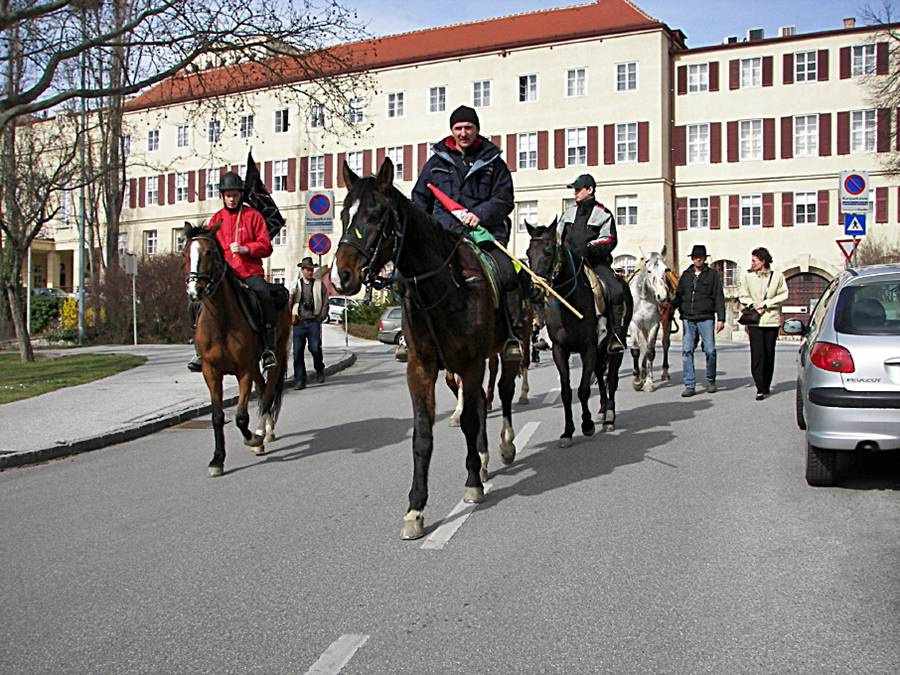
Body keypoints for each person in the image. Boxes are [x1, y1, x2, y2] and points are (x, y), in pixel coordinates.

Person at [411, 104, 529, 361]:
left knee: (507, 272)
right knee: (413, 273)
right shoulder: (435, 163)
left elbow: (504, 199)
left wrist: (481, 215)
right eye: (458, 128)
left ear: (477, 129)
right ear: (451, 131)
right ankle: (411, 336)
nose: (463, 133)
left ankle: (511, 334)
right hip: (444, 236)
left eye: (468, 128)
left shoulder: (494, 163)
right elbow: (420, 199)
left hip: (485, 234)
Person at [187, 171, 278, 371]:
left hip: (249, 272)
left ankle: (267, 349)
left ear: (241, 195)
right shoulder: (216, 220)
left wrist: (248, 248)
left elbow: (266, 246)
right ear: (222, 196)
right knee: (196, 304)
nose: (231, 199)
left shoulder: (253, 216)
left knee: (263, 296)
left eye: (235, 195)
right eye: (228, 195)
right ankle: (199, 351)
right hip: (224, 276)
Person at [557, 173, 627, 353]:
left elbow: (609, 239)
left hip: (595, 263)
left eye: (578, 189)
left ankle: (615, 335)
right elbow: (557, 237)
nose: (575, 193)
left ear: (590, 190)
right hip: (570, 264)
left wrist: (588, 247)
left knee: (616, 290)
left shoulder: (603, 214)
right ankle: (544, 331)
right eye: (574, 190)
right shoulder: (568, 213)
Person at [672, 244, 726, 397]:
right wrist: (670, 306)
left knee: (710, 350)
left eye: (700, 257)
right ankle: (689, 385)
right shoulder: (686, 275)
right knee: (687, 351)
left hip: (706, 318)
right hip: (688, 319)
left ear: (704, 259)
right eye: (695, 257)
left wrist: (721, 318)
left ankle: (710, 379)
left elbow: (719, 297)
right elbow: (679, 295)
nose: (698, 259)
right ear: (692, 258)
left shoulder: (713, 275)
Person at [738, 247, 788, 400]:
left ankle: (766, 383)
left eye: (754, 260)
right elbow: (742, 295)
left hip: (771, 321)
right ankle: (760, 386)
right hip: (755, 321)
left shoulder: (778, 276)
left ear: (763, 261)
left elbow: (784, 294)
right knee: (757, 355)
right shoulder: (747, 277)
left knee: (769, 354)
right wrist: (753, 304)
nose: (752, 263)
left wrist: (766, 304)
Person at [289, 256, 329, 390]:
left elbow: (325, 301)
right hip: (299, 322)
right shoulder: (295, 285)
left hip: (313, 322)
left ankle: (319, 369)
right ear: (302, 270)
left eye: (312, 269)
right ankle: (300, 379)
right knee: (297, 353)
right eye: (307, 269)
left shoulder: (319, 284)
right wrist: (291, 295)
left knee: (315, 348)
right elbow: (288, 305)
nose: (310, 272)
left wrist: (321, 317)